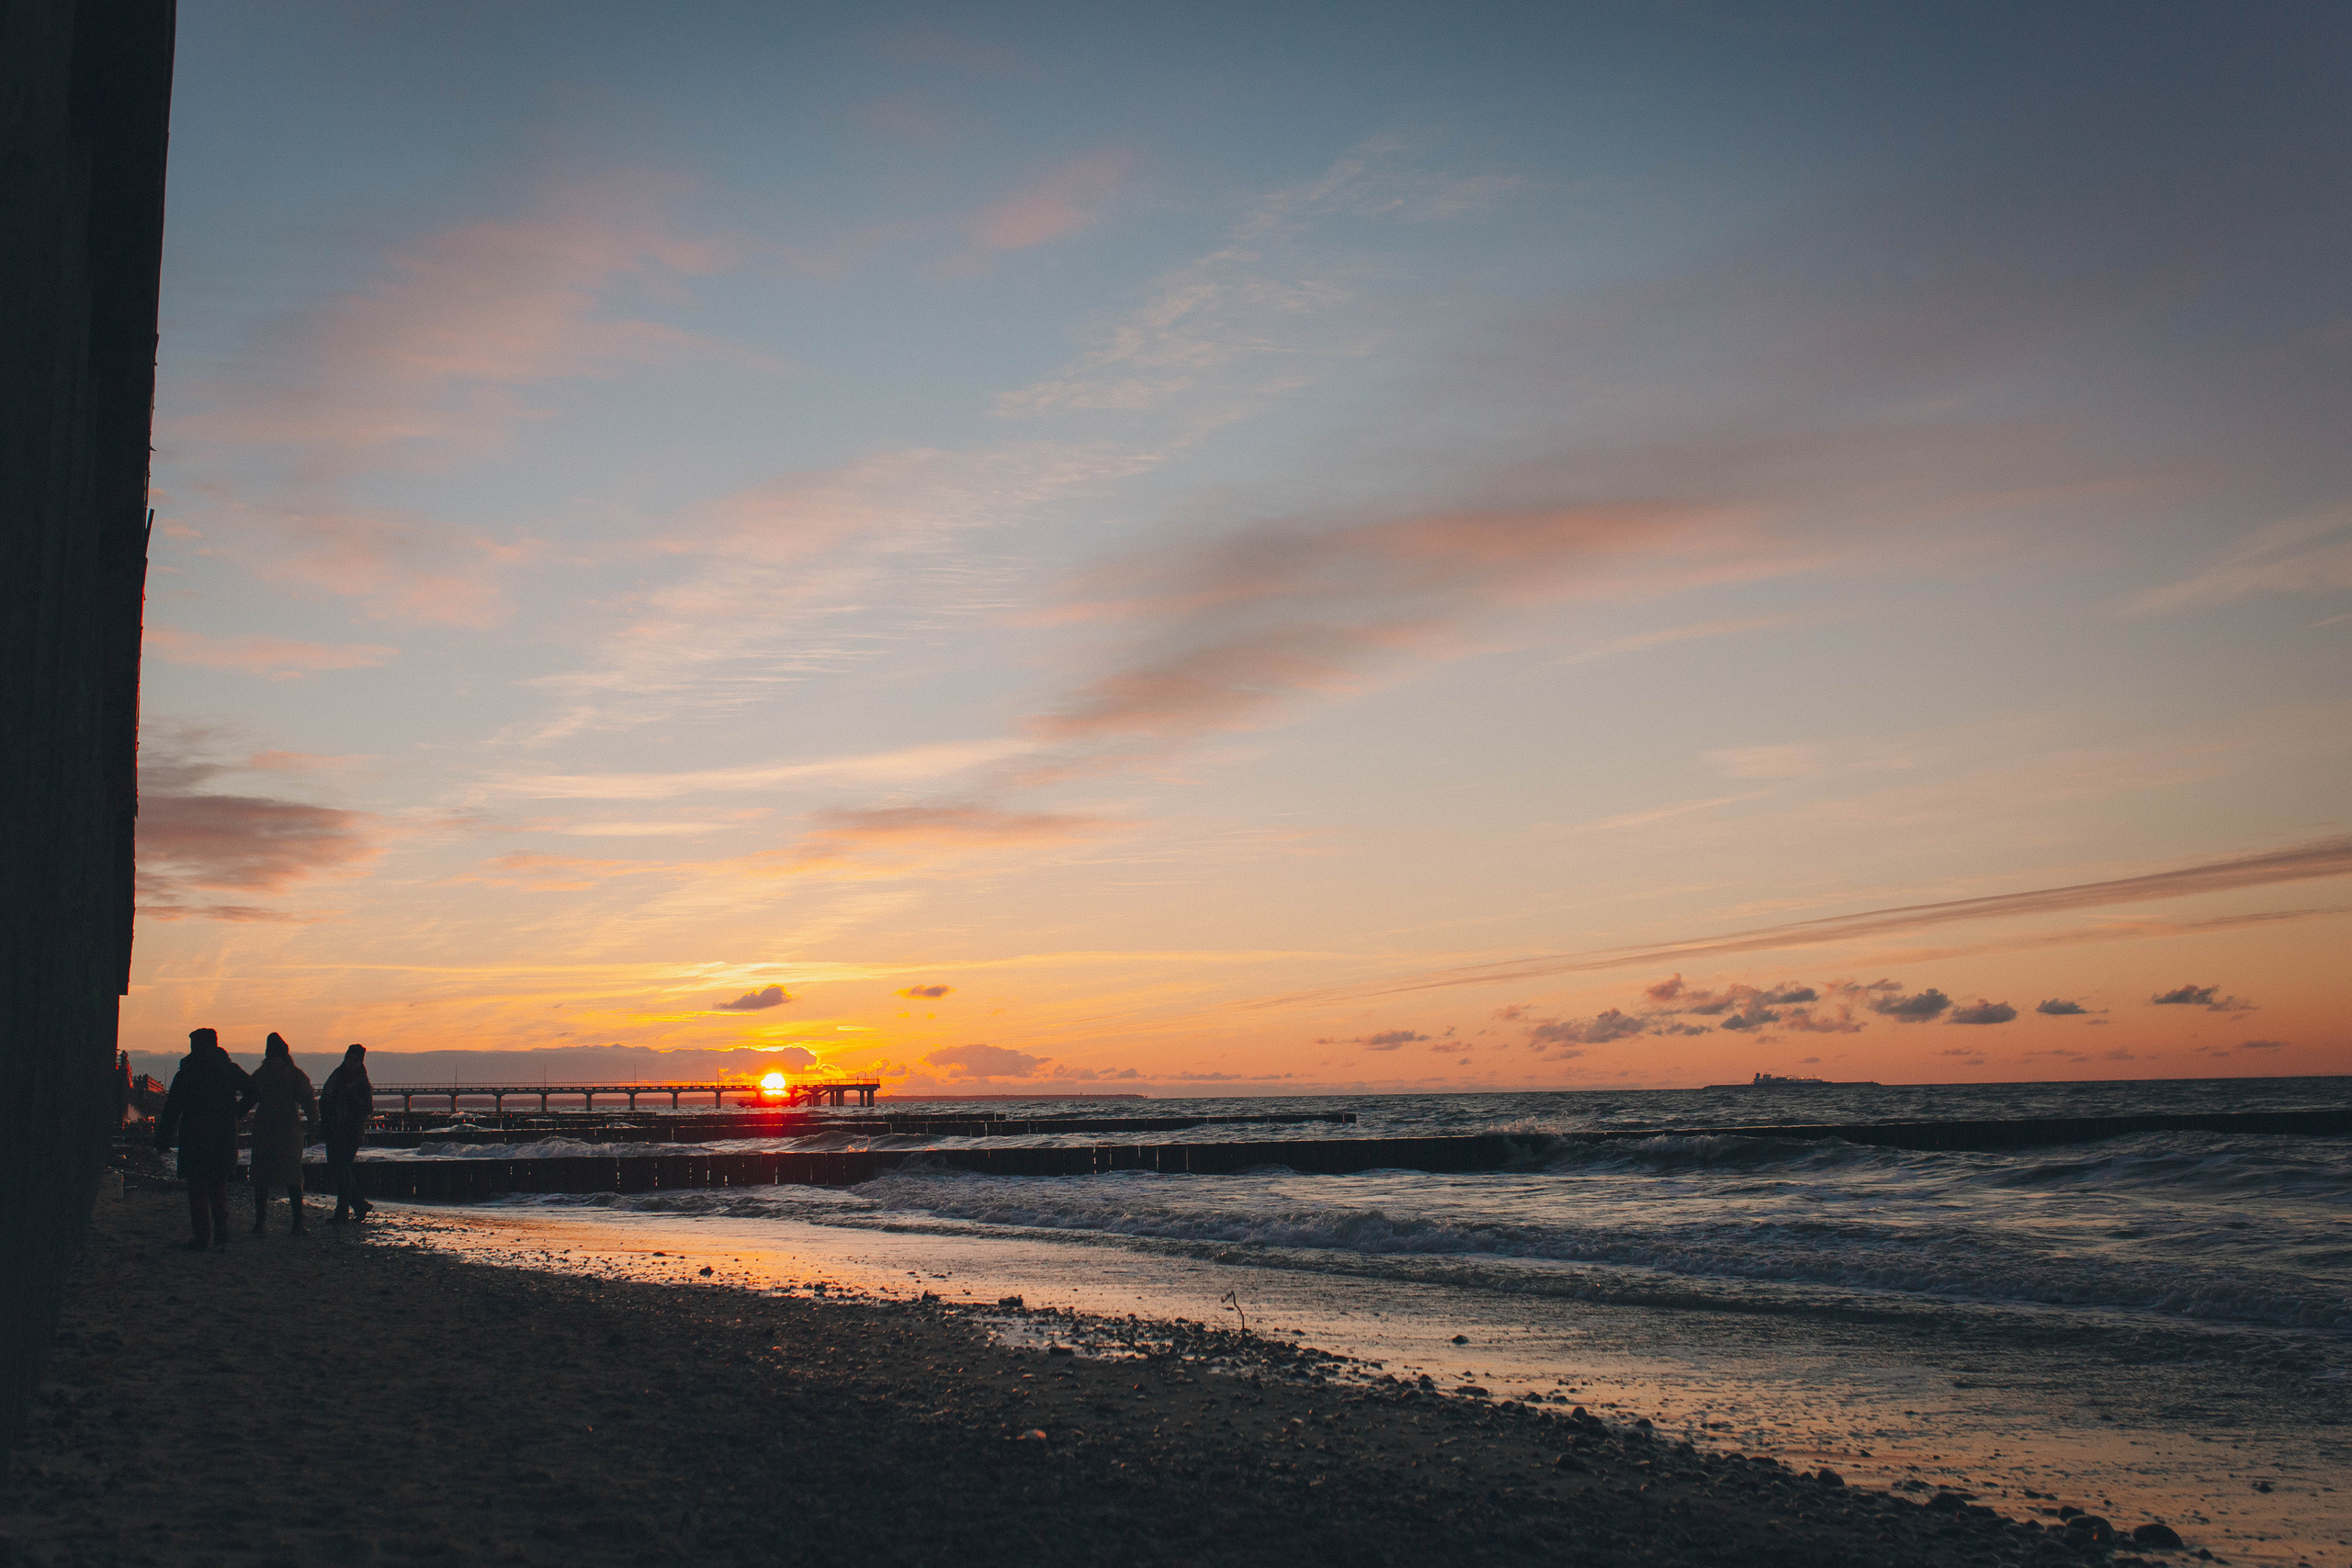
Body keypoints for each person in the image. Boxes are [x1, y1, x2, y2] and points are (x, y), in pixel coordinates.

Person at [153, 1029, 251, 1249]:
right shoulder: (228, 1069)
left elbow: (172, 1109)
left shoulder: (187, 1072)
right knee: (218, 1184)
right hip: (223, 1136)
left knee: (197, 1187)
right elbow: (254, 1090)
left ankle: (202, 1236)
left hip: (195, 1136)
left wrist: (162, 1139)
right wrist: (236, 1113)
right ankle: (221, 1231)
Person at [241, 1032, 319, 1234]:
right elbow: (309, 1099)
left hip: (264, 1128)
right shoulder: (295, 1074)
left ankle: (260, 1223)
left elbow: (248, 1099)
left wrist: (234, 1116)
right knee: (293, 1176)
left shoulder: (260, 1074)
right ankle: (298, 1223)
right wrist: (313, 1121)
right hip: (288, 1129)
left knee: (261, 1176)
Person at [318, 1043, 375, 1223]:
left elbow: (368, 1108)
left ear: (360, 1061)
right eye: (348, 1058)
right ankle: (359, 1204)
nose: (350, 1062)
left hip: (351, 1132)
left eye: (354, 1059)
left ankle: (342, 1212)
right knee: (339, 1169)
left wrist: (352, 1097)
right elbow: (325, 1098)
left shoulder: (362, 1083)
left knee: (342, 1169)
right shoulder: (336, 1076)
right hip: (333, 1129)